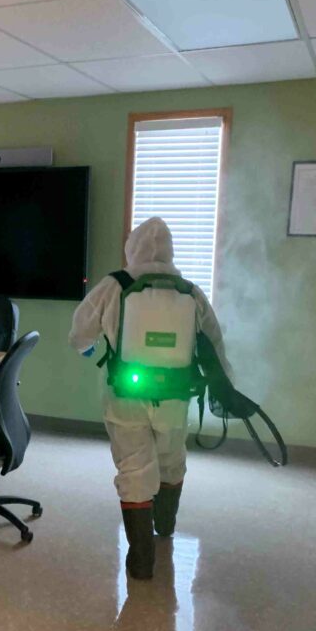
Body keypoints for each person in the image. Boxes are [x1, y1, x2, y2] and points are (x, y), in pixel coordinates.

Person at [69, 217, 231, 580]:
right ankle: (166, 526)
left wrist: (85, 349)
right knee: (171, 459)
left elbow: (79, 330)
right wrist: (226, 389)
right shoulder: (189, 290)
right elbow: (215, 343)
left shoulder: (116, 285)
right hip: (175, 395)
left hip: (126, 394)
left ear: (132, 248)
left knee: (134, 468)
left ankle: (141, 561)